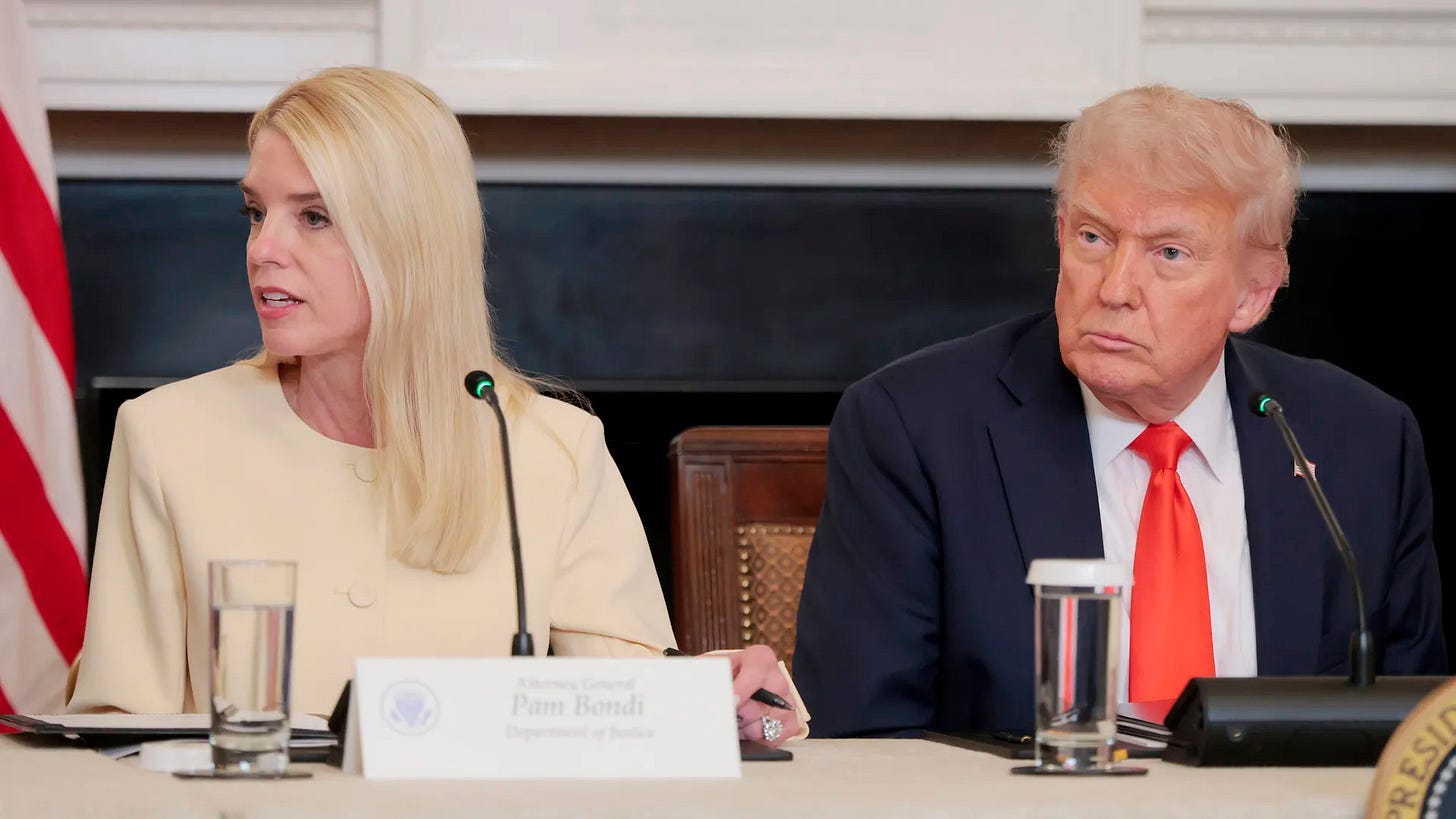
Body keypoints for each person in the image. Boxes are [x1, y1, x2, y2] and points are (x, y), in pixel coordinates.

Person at [65, 66, 804, 745]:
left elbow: (632, 704)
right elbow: (114, 736)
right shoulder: (167, 435)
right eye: (256, 212)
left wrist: (732, 697)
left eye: (314, 216)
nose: (263, 249)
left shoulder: (552, 449)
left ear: (411, 239)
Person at [793, 84, 1446, 737]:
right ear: (1060, 236)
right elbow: (865, 741)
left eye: (1169, 253)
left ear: (1252, 295)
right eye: (1094, 237)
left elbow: (1416, 739)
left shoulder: (1363, 442)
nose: (1114, 288)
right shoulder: (915, 428)